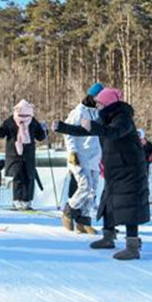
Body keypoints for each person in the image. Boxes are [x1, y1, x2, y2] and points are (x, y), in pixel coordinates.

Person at [54, 87, 150, 260]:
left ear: (107, 103)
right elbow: (85, 131)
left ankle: (132, 246)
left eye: (99, 102)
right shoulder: (104, 118)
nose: (96, 105)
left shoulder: (123, 117)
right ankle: (108, 237)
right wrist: (62, 127)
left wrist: (94, 127)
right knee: (108, 203)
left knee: (129, 205)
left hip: (130, 168)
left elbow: (114, 132)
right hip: (115, 169)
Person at [59, 83, 103, 234]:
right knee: (84, 187)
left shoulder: (98, 113)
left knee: (92, 191)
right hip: (79, 156)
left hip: (95, 157)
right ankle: (68, 211)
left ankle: (84, 222)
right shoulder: (79, 112)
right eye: (98, 98)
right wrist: (72, 152)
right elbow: (68, 132)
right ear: (92, 97)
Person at [0, 99, 46, 211]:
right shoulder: (11, 121)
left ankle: (27, 200)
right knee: (18, 176)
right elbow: (1, 133)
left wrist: (45, 130)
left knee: (29, 177)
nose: (24, 116)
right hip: (14, 154)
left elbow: (40, 136)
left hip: (28, 154)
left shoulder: (32, 121)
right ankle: (17, 200)